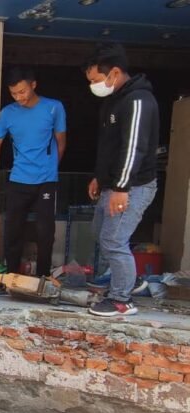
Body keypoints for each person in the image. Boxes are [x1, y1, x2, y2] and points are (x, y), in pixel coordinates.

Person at [84, 44, 159, 317]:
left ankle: (121, 300)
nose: (93, 86)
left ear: (114, 73)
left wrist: (121, 188)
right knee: (100, 233)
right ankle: (129, 279)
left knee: (114, 240)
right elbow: (110, 147)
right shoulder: (113, 101)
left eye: (95, 80)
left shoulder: (138, 100)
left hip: (133, 186)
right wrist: (99, 177)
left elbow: (133, 148)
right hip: (113, 184)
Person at [0, 68, 67, 277]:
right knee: (13, 231)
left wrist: (51, 167)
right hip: (18, 179)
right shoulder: (7, 113)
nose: (18, 97)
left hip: (45, 181)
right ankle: (11, 276)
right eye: (13, 93)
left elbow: (61, 141)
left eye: (22, 92)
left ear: (33, 85)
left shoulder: (54, 108)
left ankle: (43, 277)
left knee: (45, 232)